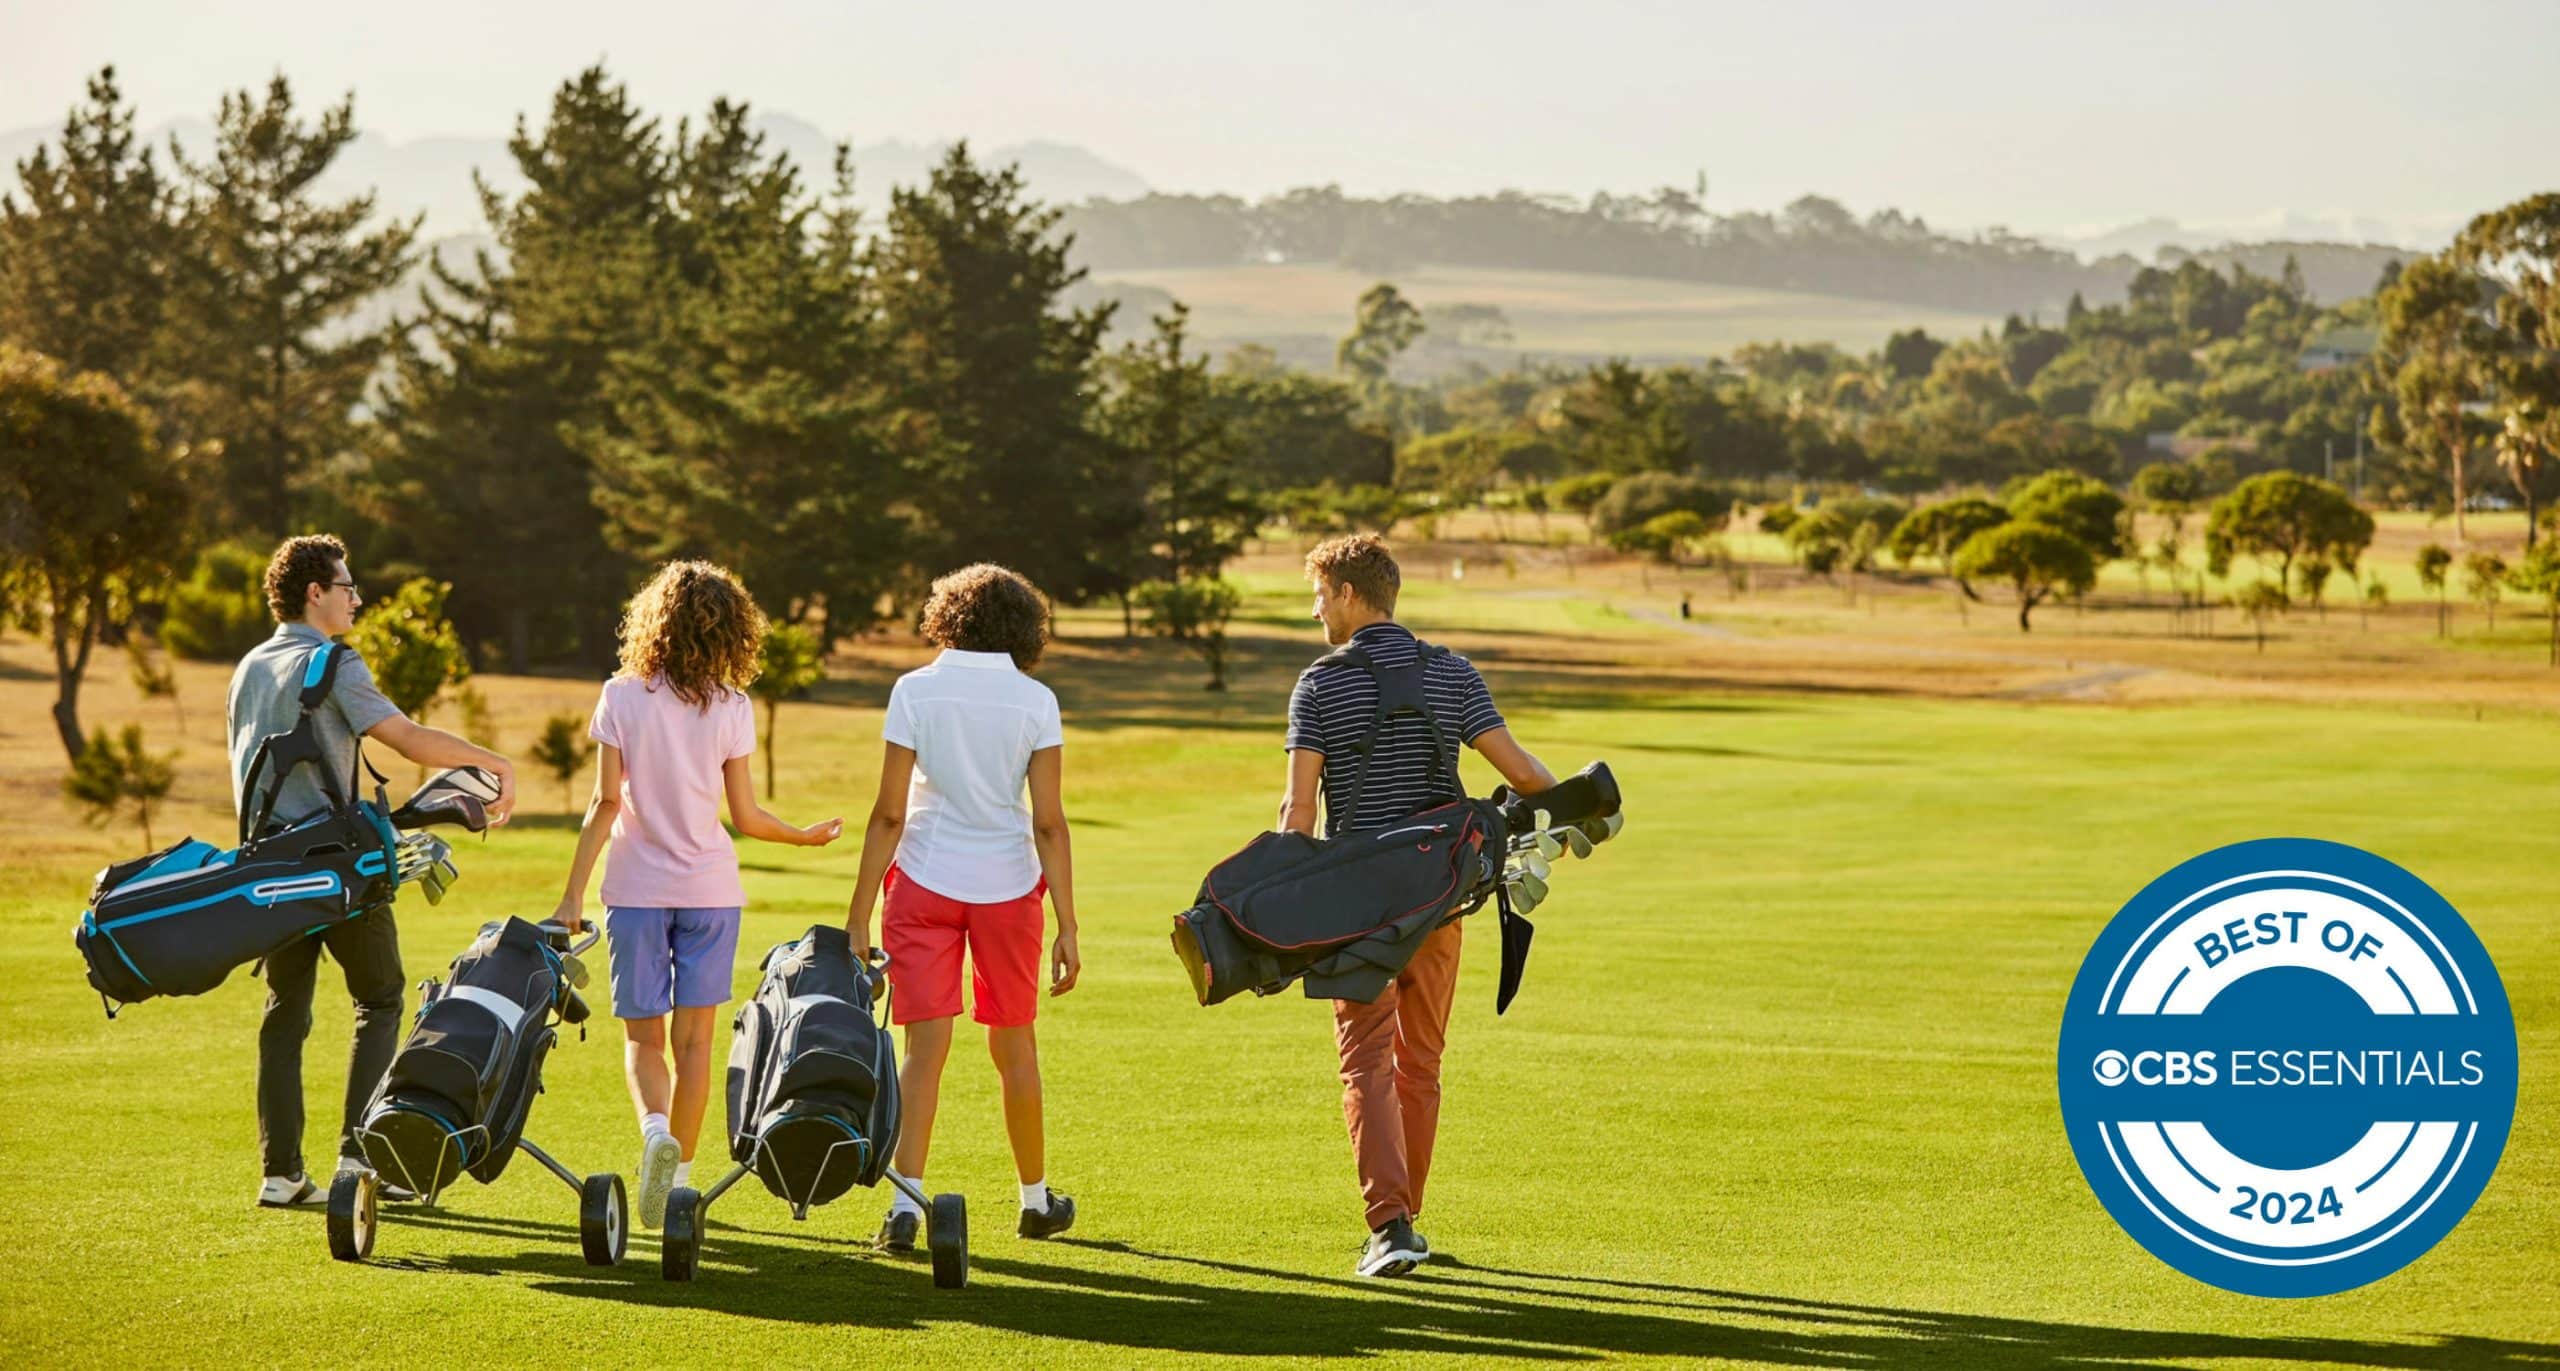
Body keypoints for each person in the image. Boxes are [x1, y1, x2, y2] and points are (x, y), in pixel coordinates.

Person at [1280, 533, 1562, 1277]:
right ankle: (1408, 1220)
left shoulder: (1319, 684)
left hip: (1360, 906)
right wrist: (1581, 803)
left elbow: (1297, 813)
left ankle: (1392, 1224)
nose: (1316, 610)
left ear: (1349, 594)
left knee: (1364, 1061)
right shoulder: (1453, 673)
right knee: (1420, 1060)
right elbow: (1524, 772)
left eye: (1320, 594)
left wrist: (1285, 904)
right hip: (1441, 897)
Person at [551, 561, 842, 1230]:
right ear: (731, 629)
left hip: (634, 890)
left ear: (651, 622)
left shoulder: (620, 696)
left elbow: (604, 803)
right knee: (696, 1044)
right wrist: (801, 836)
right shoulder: (733, 707)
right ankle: (679, 1182)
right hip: (711, 890)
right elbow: (745, 815)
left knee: (643, 1039)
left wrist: (572, 895)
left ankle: (655, 1133)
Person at [229, 534, 518, 1209]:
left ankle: (281, 1173)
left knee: (285, 1013)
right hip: (340, 867)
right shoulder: (333, 660)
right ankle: (362, 1159)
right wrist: (495, 762)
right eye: (347, 586)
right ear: (314, 593)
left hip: (267, 870)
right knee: (382, 998)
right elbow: (408, 738)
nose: (357, 598)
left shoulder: (246, 667)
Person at [844, 563, 1082, 1254]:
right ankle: (1036, 1202)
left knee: (923, 1051)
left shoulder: (914, 689)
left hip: (921, 881)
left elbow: (890, 813)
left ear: (946, 616)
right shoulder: (1036, 699)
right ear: (1023, 624)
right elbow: (1050, 824)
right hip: (1010, 888)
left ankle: (904, 1208)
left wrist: (858, 914)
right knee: (1015, 1045)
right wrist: (1068, 923)